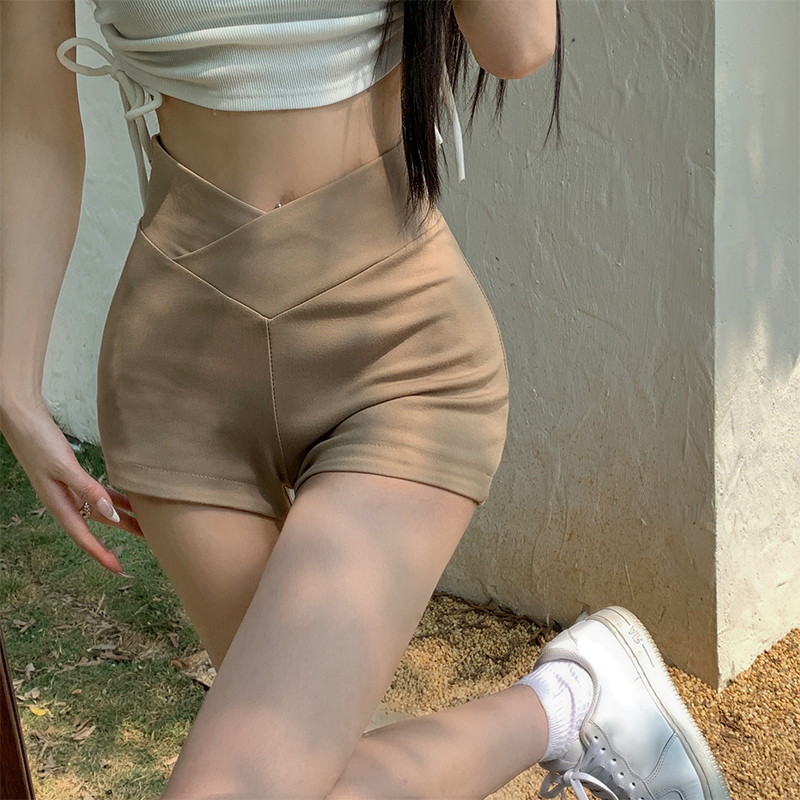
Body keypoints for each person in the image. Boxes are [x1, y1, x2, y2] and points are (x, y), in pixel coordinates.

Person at [0, 2, 732, 798]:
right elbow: (32, 115)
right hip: (175, 385)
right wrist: (13, 385)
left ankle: (568, 708)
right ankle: (573, 705)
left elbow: (519, 43)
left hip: (395, 356)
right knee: (303, 775)